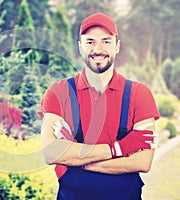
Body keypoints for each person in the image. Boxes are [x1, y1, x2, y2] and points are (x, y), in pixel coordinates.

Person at [39, 13, 160, 200]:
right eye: (89, 42)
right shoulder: (59, 92)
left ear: (117, 46)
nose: (98, 49)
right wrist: (119, 149)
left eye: (106, 41)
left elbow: (143, 161)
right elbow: (51, 153)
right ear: (80, 47)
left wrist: (76, 158)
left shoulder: (139, 94)